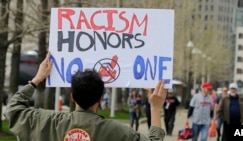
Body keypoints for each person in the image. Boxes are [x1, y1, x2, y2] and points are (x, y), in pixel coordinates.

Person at [4, 52, 167, 141]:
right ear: (100, 99)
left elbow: (13, 110)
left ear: (72, 97)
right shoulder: (117, 132)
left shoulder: (46, 122)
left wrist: (37, 79)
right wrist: (155, 108)